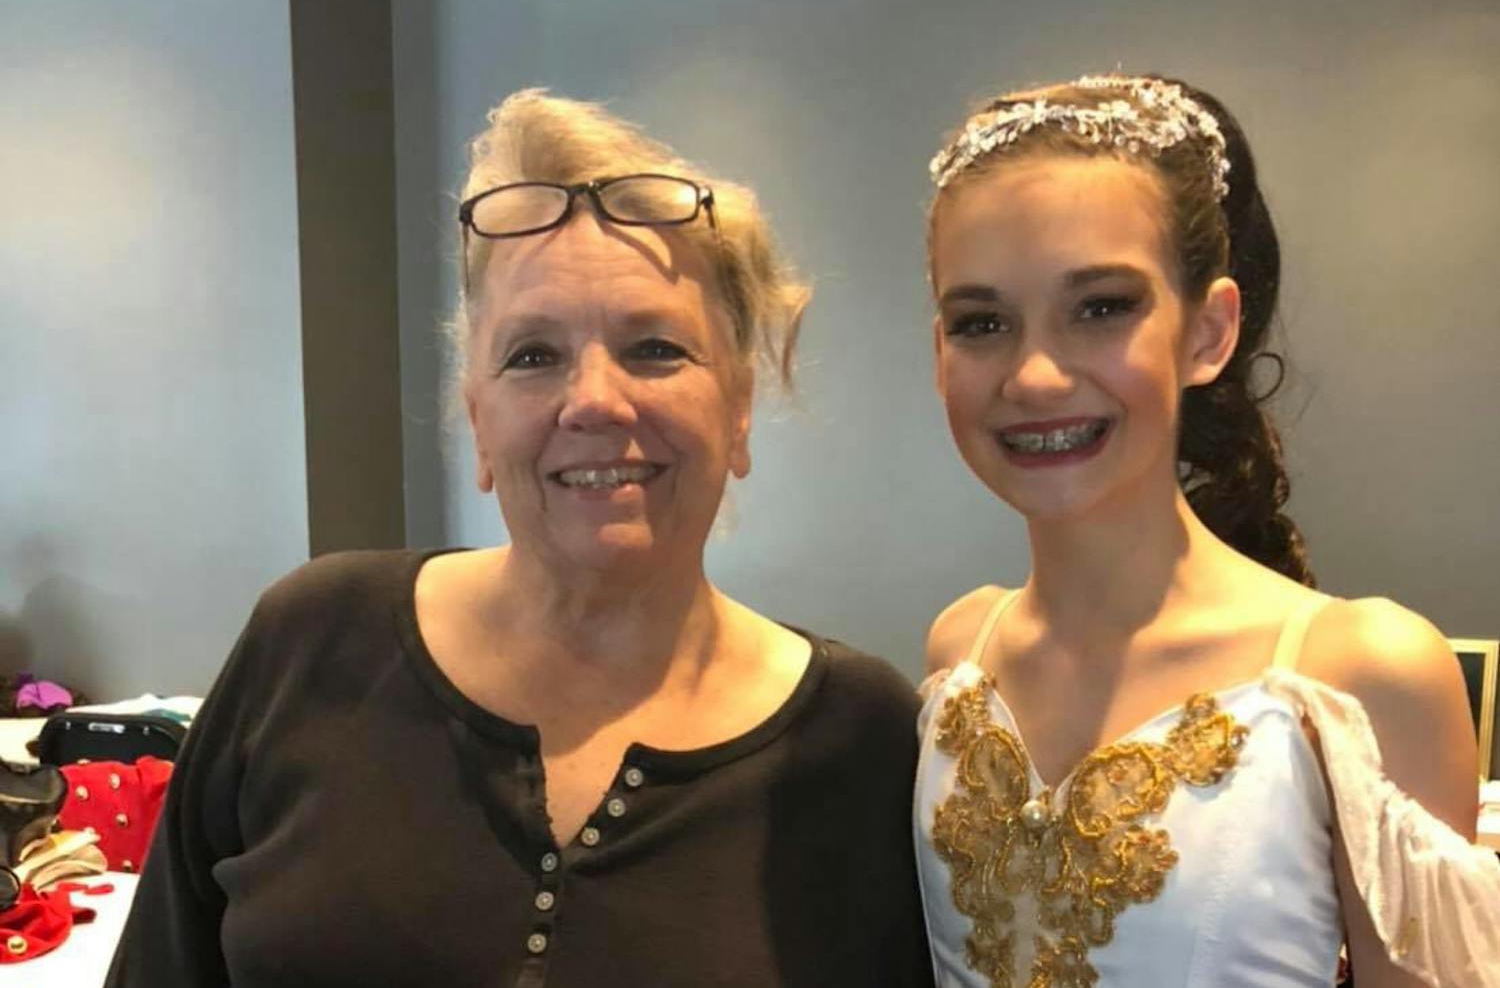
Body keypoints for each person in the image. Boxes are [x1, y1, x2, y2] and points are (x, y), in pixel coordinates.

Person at [106, 90, 934, 986]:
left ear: (739, 410)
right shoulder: (309, 643)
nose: (594, 402)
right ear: (478, 419)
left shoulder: (862, 740)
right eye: (532, 355)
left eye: (654, 347)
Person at [913, 74, 1500, 987]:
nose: (1032, 376)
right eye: (981, 321)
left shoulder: (1357, 676)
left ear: (1210, 329)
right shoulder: (960, 650)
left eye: (1101, 306)